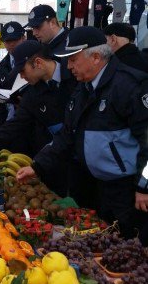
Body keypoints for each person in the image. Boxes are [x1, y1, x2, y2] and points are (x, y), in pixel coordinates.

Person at [16, 26, 148, 241]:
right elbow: (67, 135)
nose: (68, 66)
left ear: (95, 57)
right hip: (97, 187)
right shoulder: (83, 90)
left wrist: (145, 187)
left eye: (73, 60)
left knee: (130, 248)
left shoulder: (130, 85)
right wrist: (37, 166)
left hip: (129, 191)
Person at [0, 40, 76, 196]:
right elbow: (16, 124)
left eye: (23, 71)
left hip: (83, 161)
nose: (22, 77)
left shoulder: (75, 75)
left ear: (38, 63)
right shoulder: (33, 93)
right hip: (54, 158)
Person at [0, 22, 26, 130]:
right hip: (9, 123)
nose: (11, 44)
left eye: (15, 40)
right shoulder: (2, 67)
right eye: (7, 41)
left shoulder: (35, 60)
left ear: (23, 38)